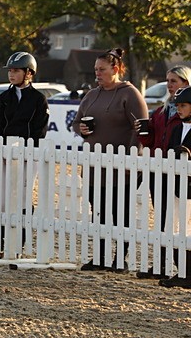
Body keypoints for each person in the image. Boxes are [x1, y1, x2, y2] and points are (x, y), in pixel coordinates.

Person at [74, 48, 147, 271]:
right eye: (96, 69)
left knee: (120, 215)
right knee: (99, 214)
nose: (97, 73)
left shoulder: (129, 94)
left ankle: (119, 259)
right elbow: (76, 123)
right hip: (95, 168)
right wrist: (82, 129)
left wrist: (131, 159)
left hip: (121, 169)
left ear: (115, 69)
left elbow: (142, 129)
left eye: (102, 69)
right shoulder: (91, 95)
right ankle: (101, 256)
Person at [0, 51, 50, 259]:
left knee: (22, 198)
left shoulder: (39, 99)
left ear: (28, 73)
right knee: (2, 200)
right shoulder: (4, 98)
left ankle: (19, 245)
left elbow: (40, 129)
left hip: (28, 155)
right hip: (4, 154)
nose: (11, 75)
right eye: (10, 71)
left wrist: (28, 149)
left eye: (16, 71)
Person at [136, 65, 191, 279]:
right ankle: (161, 264)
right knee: (162, 220)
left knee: (178, 222)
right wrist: (144, 133)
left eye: (174, 81)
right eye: (167, 80)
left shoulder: (182, 112)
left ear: (186, 83)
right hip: (160, 169)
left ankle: (181, 269)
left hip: (180, 174)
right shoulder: (162, 109)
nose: (169, 85)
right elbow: (153, 139)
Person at [158, 86, 191, 288]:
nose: (179, 109)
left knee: (187, 230)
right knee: (176, 229)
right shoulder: (178, 128)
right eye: (178, 105)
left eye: (184, 106)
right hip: (176, 185)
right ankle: (183, 271)